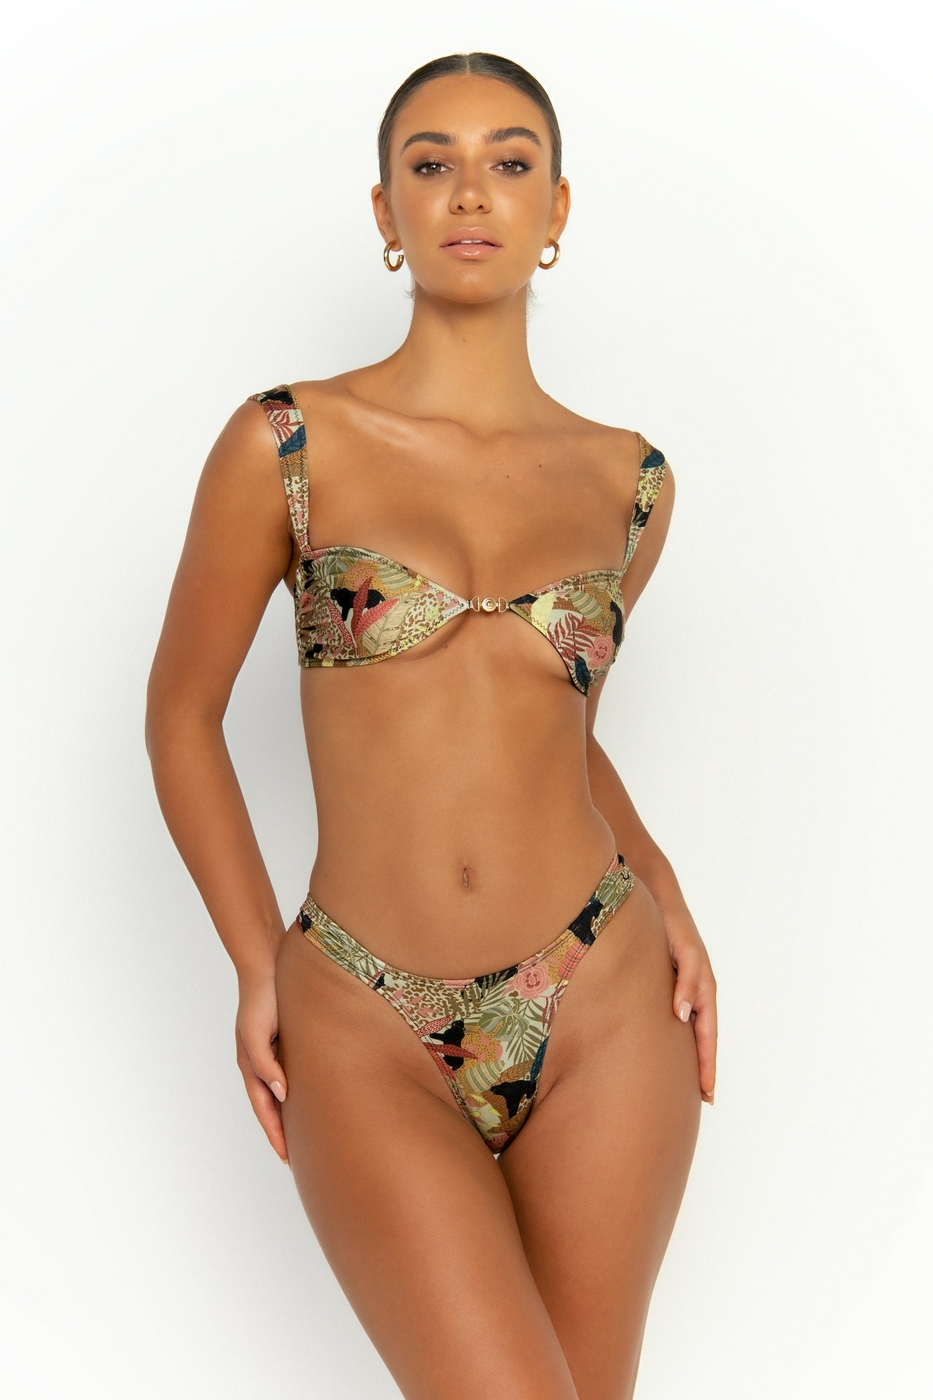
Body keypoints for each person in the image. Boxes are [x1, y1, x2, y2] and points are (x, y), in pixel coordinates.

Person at [146, 51, 717, 1400]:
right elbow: (181, 717)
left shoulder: (629, 483)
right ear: (384, 209)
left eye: (510, 162)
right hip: (361, 1008)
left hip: (598, 995)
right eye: (431, 162)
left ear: (556, 209)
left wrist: (671, 896)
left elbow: (558, 733)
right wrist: (257, 966)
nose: (471, 191)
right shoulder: (287, 444)